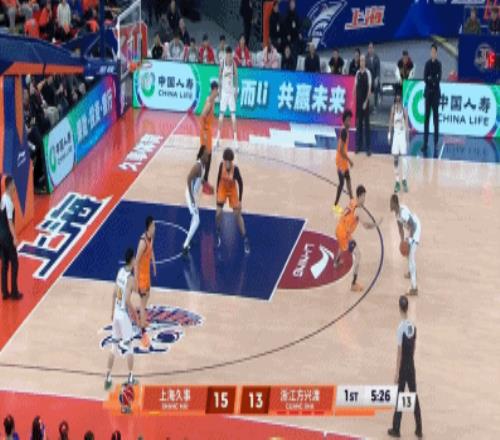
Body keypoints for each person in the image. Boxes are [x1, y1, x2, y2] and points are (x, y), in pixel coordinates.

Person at [333, 185, 380, 292]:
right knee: (358, 255)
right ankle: (353, 284)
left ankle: (336, 261)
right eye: (364, 196)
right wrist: (375, 225)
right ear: (360, 196)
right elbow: (366, 226)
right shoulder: (358, 210)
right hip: (344, 234)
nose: (365, 199)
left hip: (340, 229)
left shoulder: (352, 201)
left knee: (343, 246)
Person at [388, 296, 423, 438]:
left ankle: (396, 429)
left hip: (403, 367)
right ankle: (419, 428)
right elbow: (413, 347)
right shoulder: (412, 326)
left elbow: (399, 352)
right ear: (407, 308)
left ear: (399, 308)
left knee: (400, 396)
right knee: (414, 395)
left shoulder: (400, 328)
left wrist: (397, 372)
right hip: (411, 365)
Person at [105, 248, 139, 390]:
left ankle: (108, 377)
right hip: (124, 315)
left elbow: (114, 293)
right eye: (135, 258)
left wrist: (112, 311)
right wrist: (136, 316)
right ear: (132, 260)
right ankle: (130, 377)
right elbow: (128, 300)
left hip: (117, 314)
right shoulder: (130, 278)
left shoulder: (120, 272)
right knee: (130, 347)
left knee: (113, 347)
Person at [216, 148, 250, 254]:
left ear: (231, 161)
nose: (227, 163)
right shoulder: (221, 166)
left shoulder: (236, 170)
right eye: (225, 161)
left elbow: (241, 183)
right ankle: (218, 232)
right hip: (222, 188)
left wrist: (240, 200)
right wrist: (217, 192)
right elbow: (218, 178)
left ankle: (245, 238)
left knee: (237, 216)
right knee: (218, 213)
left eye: (229, 161)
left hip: (232, 190)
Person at [390, 195, 421, 296]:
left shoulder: (403, 213)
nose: (390, 205)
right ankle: (411, 272)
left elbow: (413, 225)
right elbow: (400, 229)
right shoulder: (397, 214)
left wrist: (409, 240)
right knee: (408, 253)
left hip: (416, 229)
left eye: (391, 203)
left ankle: (414, 288)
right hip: (412, 229)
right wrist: (402, 240)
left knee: (411, 257)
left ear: (395, 203)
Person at [183, 146, 210, 255]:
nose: (208, 156)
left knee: (194, 218)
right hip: (190, 195)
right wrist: (192, 198)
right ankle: (185, 246)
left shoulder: (203, 166)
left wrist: (206, 185)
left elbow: (200, 179)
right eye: (206, 155)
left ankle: (189, 238)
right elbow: (188, 179)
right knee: (197, 220)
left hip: (194, 195)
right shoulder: (197, 166)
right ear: (202, 155)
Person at [135, 216, 156, 348]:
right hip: (142, 276)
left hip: (147, 274)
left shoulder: (151, 238)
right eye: (153, 226)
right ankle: (142, 333)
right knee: (143, 304)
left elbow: (151, 250)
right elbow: (136, 262)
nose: (155, 228)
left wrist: (154, 264)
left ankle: (142, 319)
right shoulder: (142, 242)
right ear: (149, 227)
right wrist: (136, 281)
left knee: (147, 296)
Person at [0, 176, 22, 301]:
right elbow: (9, 221)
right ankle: (14, 292)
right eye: (13, 184)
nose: (15, 186)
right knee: (15, 263)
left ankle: (4, 292)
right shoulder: (8, 201)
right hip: (8, 237)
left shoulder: (3, 198)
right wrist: (15, 238)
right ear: (9, 185)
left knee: (4, 264)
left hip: (1, 236)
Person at [215, 47, 239, 150]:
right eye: (228, 55)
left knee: (233, 117)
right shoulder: (222, 63)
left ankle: (235, 141)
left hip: (231, 93)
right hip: (224, 93)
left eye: (230, 55)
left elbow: (236, 77)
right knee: (221, 116)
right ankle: (217, 139)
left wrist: (236, 90)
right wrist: (219, 91)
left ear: (232, 55)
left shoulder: (234, 64)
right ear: (226, 55)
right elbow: (219, 77)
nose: (229, 57)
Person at [332, 110, 354, 215]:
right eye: (348, 120)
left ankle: (352, 201)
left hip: (343, 160)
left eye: (350, 120)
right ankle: (335, 205)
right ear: (344, 121)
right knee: (341, 183)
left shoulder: (345, 130)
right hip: (341, 161)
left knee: (348, 179)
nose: (350, 122)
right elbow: (341, 150)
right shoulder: (344, 132)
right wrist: (350, 160)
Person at [388, 92, 410, 193]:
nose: (398, 102)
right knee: (395, 158)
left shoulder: (404, 109)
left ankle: (404, 180)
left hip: (402, 135)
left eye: (399, 100)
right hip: (396, 135)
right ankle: (397, 181)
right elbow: (390, 122)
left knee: (404, 158)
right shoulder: (393, 108)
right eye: (396, 100)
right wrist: (389, 134)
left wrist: (407, 139)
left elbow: (407, 124)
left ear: (401, 100)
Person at [199, 82, 219, 194]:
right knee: (207, 157)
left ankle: (203, 179)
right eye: (217, 91)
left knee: (207, 157)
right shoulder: (210, 102)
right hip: (206, 132)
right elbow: (202, 116)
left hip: (208, 132)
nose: (218, 93)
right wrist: (205, 132)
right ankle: (203, 181)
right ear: (214, 90)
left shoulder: (211, 100)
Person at [423, 44, 442, 158]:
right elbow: (425, 78)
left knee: (435, 118)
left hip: (435, 94)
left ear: (436, 53)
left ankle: (435, 142)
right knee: (426, 118)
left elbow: (438, 79)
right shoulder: (427, 64)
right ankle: (425, 143)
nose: (433, 53)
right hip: (428, 94)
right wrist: (431, 80)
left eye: (434, 52)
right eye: (431, 52)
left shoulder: (439, 64)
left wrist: (432, 79)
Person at [354, 54, 372, 155]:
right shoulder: (357, 73)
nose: (362, 62)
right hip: (359, 102)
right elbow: (355, 87)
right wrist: (354, 99)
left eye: (363, 60)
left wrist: (366, 101)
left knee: (367, 125)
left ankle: (368, 148)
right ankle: (358, 145)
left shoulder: (368, 73)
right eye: (361, 60)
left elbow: (369, 88)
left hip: (366, 102)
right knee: (359, 124)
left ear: (365, 62)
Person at [366, 42, 381, 108]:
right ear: (368, 49)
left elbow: (378, 69)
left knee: (376, 85)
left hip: (374, 78)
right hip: (368, 78)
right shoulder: (365, 58)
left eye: (371, 48)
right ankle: (366, 103)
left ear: (373, 49)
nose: (370, 49)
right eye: (369, 48)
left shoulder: (376, 58)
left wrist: (377, 78)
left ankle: (375, 105)